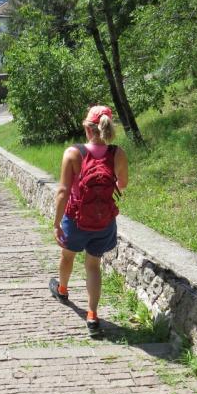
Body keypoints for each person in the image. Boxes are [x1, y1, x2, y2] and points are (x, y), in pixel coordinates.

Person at [49, 105, 129, 337]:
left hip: (75, 219)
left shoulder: (73, 153)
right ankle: (92, 315)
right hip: (104, 221)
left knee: (67, 256)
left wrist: (56, 223)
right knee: (93, 266)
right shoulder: (118, 153)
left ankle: (62, 289)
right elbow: (122, 184)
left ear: (87, 128)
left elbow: (63, 192)